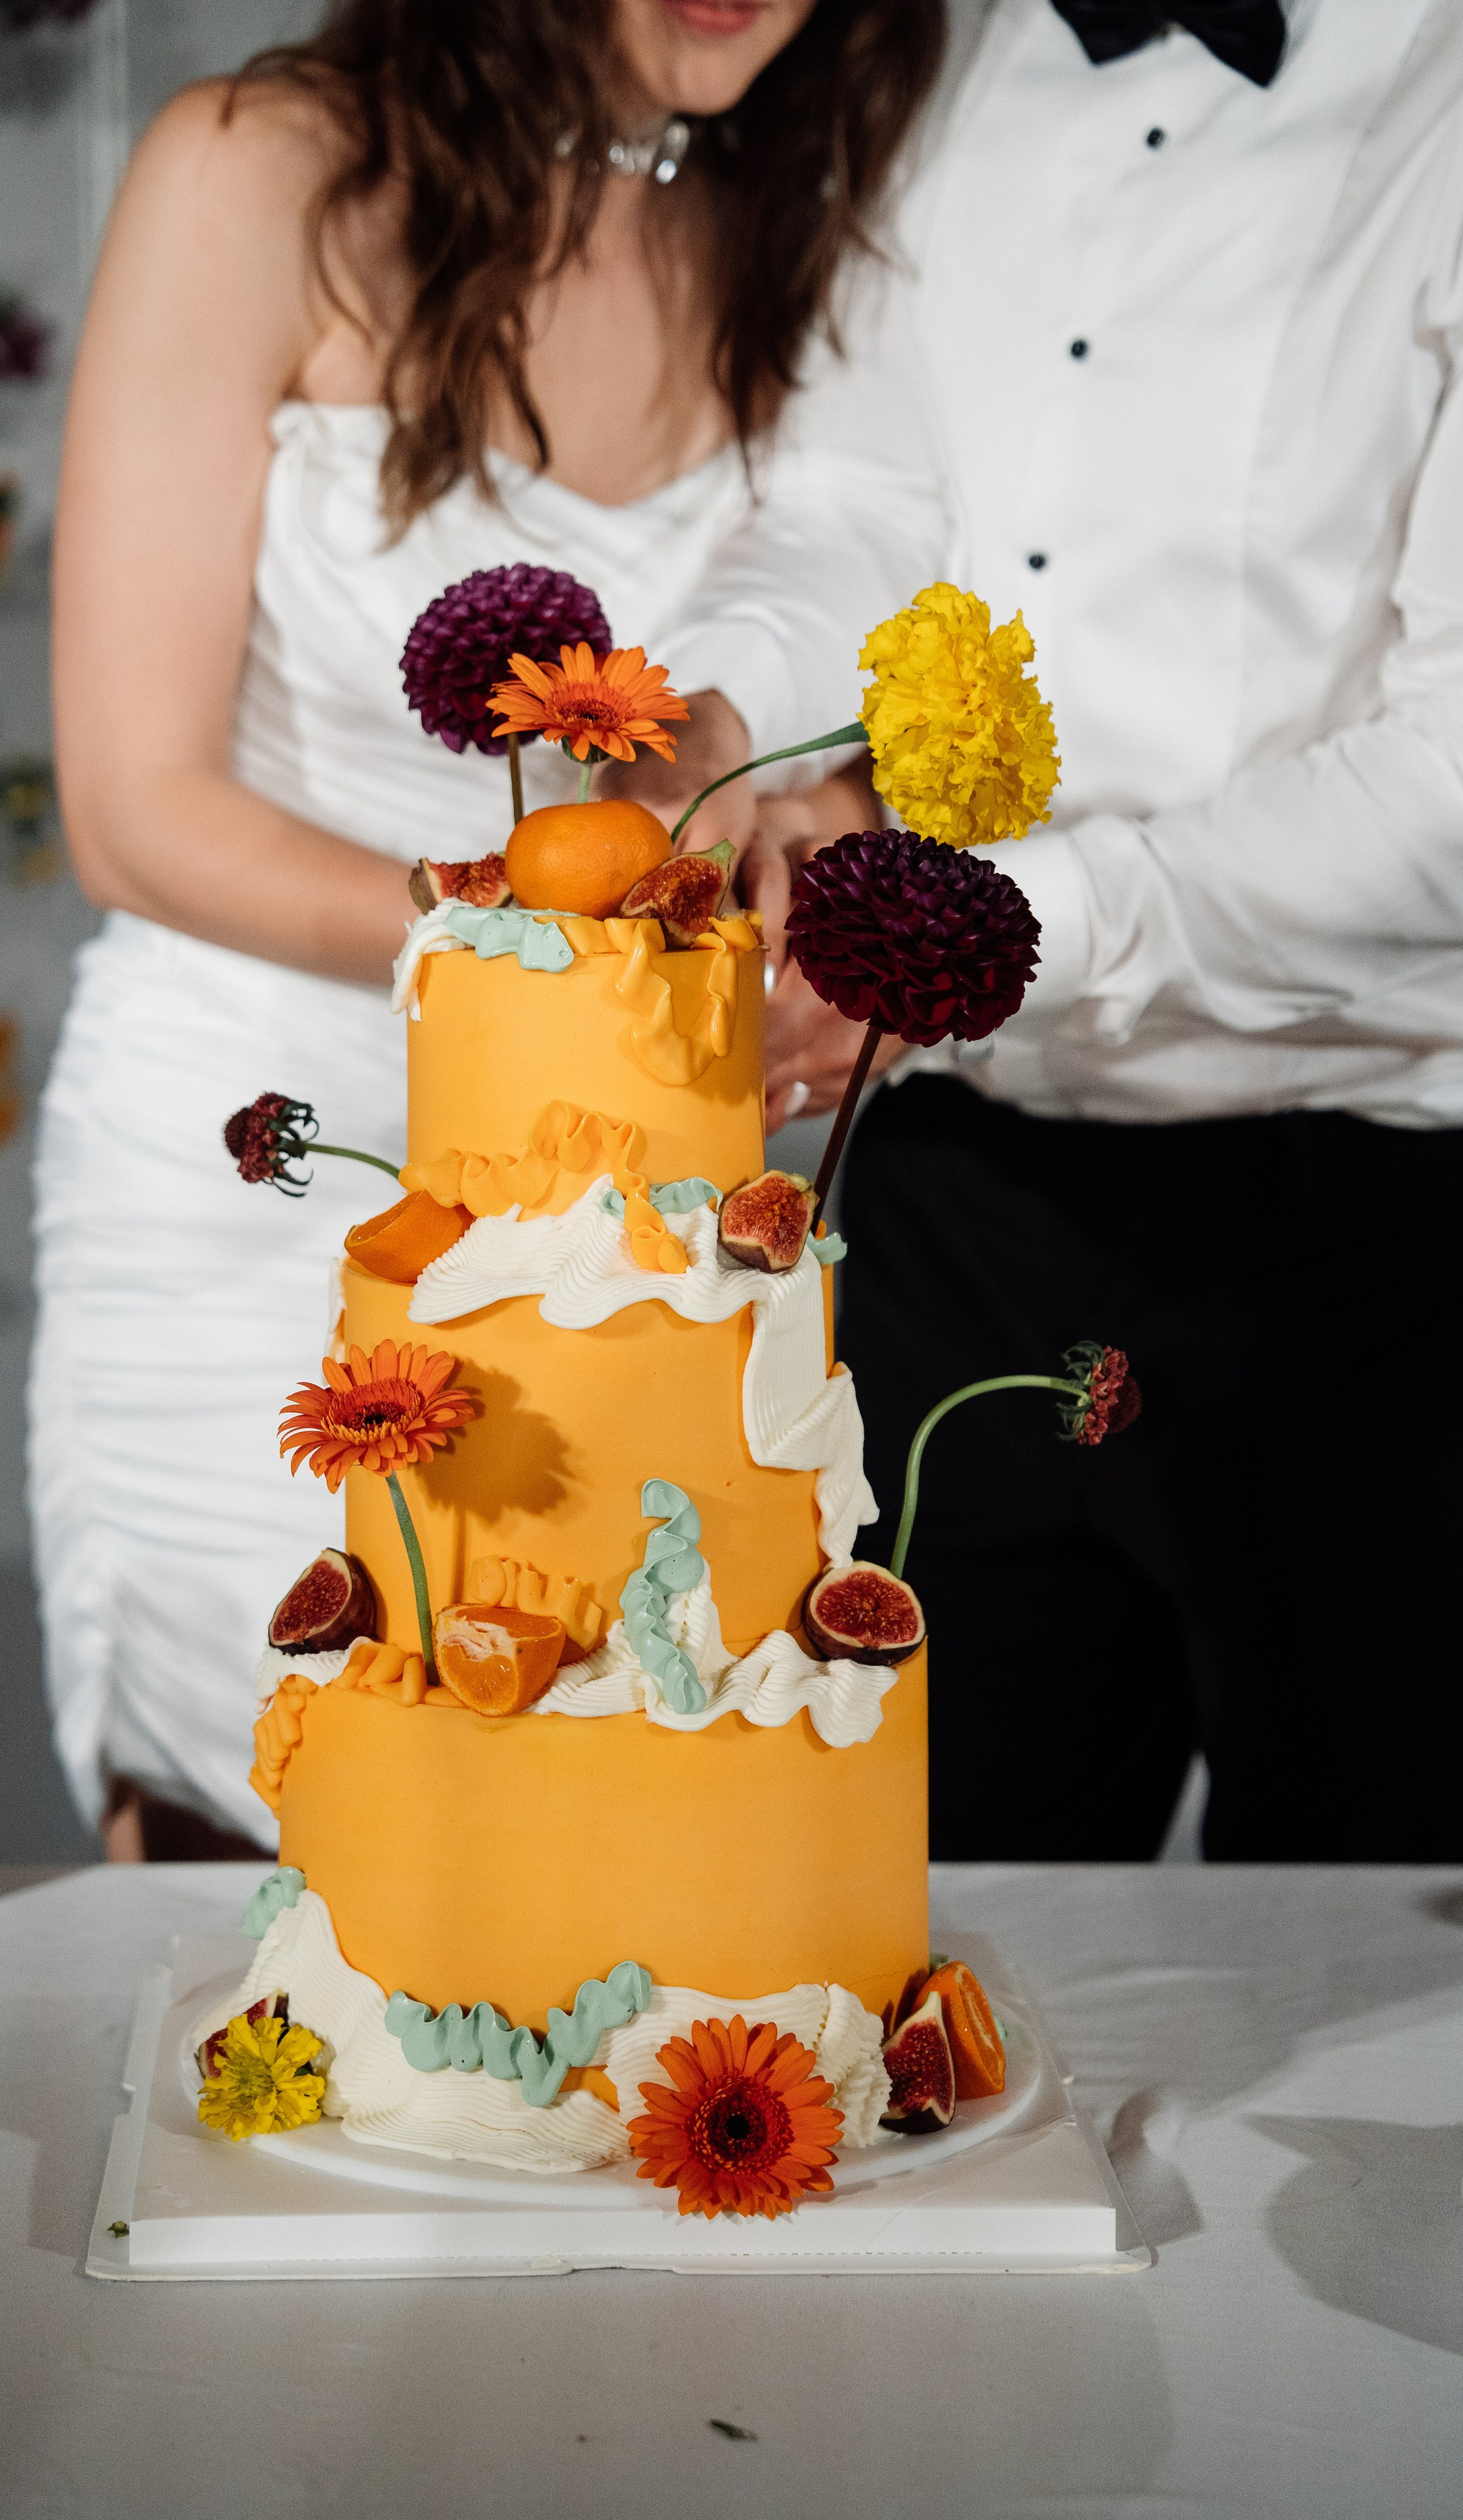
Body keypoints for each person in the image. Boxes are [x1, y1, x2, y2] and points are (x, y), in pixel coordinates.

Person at [34, 0, 945, 1858]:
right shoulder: (259, 170)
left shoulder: (834, 213)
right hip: (266, 1184)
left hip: (646, 1220)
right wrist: (560, 965)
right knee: (284, 1853)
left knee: (591, 1885)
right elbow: (133, 811)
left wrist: (828, 851)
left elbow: (810, 706)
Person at [637, 0, 1463, 1861]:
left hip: (1378, 1240)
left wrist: (992, 934)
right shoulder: (934, 49)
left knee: (1367, 2033)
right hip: (951, 1195)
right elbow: (858, 496)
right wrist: (721, 729)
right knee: (915, 1953)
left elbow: (1452, 784)